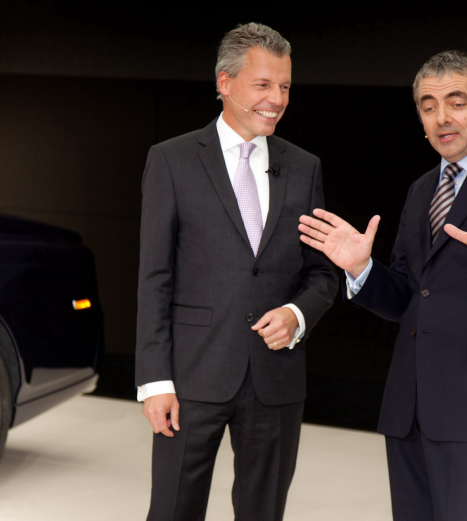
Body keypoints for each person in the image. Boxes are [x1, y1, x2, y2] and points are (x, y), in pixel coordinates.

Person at [299, 50, 467, 520]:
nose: (442, 117)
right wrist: (362, 269)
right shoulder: (423, 187)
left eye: (456, 102)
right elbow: (408, 297)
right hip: (409, 407)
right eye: (428, 106)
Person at [135, 22, 338, 521]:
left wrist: (296, 314)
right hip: (191, 377)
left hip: (275, 380)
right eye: (263, 85)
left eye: (284, 86)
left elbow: (322, 275)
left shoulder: (305, 167)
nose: (277, 99)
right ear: (224, 82)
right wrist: (155, 381)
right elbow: (155, 278)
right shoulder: (171, 160)